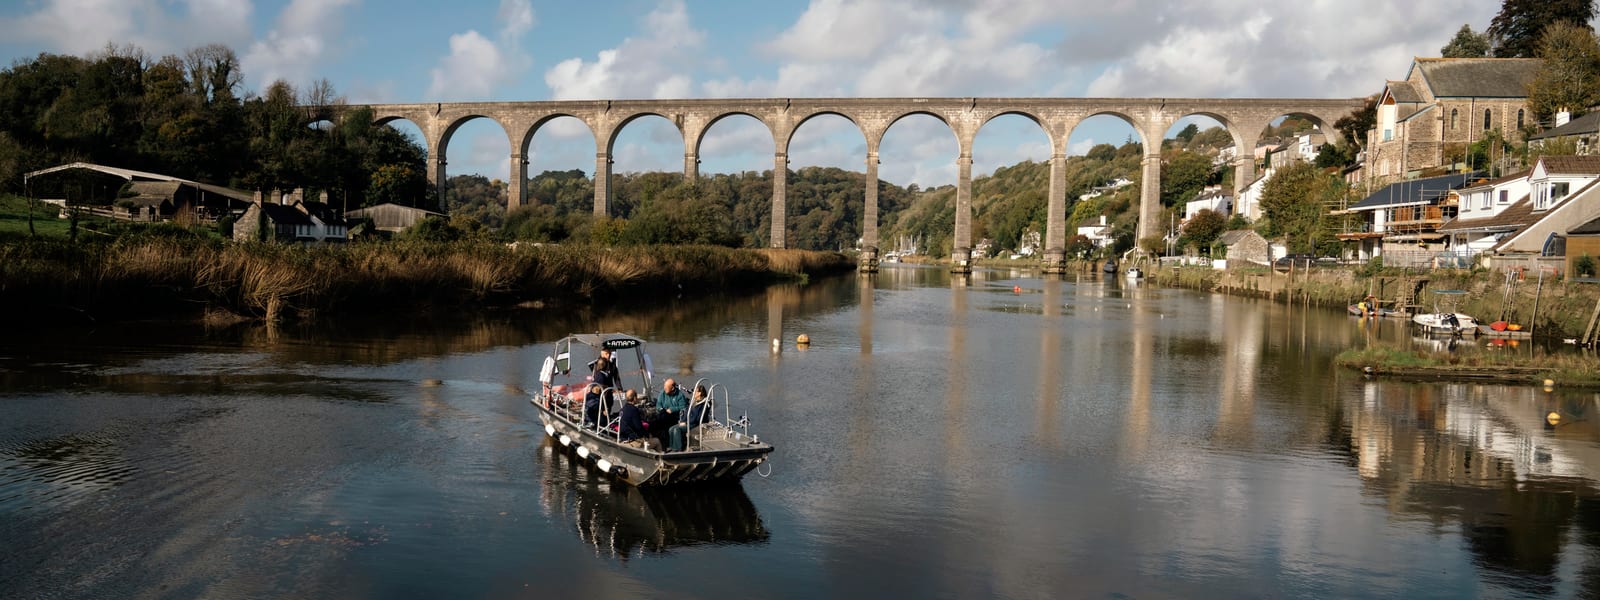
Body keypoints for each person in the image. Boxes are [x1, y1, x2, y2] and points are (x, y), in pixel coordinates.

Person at [669, 384, 713, 452]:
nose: (693, 393)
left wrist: (686, 423)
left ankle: (678, 449)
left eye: (695, 391)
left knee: (676, 430)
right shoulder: (694, 402)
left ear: (699, 393)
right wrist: (683, 421)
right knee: (671, 429)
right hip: (689, 422)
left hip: (696, 424)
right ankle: (672, 447)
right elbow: (687, 412)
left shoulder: (704, 404)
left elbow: (697, 418)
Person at [652, 379, 690, 448]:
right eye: (664, 386)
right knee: (657, 420)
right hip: (663, 414)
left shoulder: (680, 395)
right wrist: (661, 409)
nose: (664, 388)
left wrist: (673, 409)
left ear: (672, 388)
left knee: (663, 420)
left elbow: (684, 407)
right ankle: (657, 440)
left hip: (675, 416)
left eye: (666, 387)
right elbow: (658, 405)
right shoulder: (662, 393)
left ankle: (666, 444)